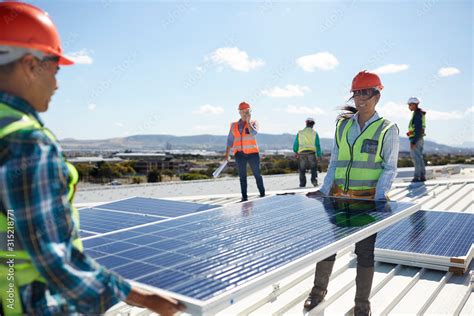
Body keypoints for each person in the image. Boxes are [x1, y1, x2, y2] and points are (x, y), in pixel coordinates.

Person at [0, 2, 184, 315]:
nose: (57, 84)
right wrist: (143, 297)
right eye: (55, 71)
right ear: (31, 66)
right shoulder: (27, 142)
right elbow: (56, 261)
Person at [305, 70, 399, 315]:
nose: (361, 98)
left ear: (377, 95)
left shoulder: (387, 129)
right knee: (328, 247)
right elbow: (335, 161)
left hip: (367, 202)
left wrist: (380, 198)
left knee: (365, 253)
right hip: (337, 198)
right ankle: (317, 293)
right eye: (357, 93)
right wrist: (324, 191)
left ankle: (361, 306)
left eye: (366, 93)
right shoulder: (343, 125)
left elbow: (389, 168)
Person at [224, 101, 265, 202]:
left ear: (249, 111)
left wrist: (248, 122)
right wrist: (227, 155)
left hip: (253, 153)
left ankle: (262, 194)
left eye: (246, 111)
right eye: (242, 111)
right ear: (239, 112)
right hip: (239, 154)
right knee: (242, 176)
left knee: (257, 174)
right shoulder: (233, 125)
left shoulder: (254, 122)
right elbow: (230, 141)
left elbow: (254, 133)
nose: (244, 113)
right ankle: (244, 197)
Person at [293, 117, 323, 187]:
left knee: (302, 169)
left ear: (306, 123)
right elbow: (317, 145)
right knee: (313, 168)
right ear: (313, 125)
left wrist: (295, 151)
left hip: (302, 153)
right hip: (311, 153)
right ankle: (314, 181)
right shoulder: (315, 133)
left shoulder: (300, 133)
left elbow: (296, 143)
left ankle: (302, 184)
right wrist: (319, 155)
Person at [407, 97, 426, 182]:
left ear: (415, 105)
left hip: (416, 139)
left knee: (416, 158)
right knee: (419, 158)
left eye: (410, 105)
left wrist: (413, 141)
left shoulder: (417, 114)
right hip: (419, 138)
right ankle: (422, 176)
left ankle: (417, 177)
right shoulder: (419, 113)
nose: (409, 107)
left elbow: (417, 129)